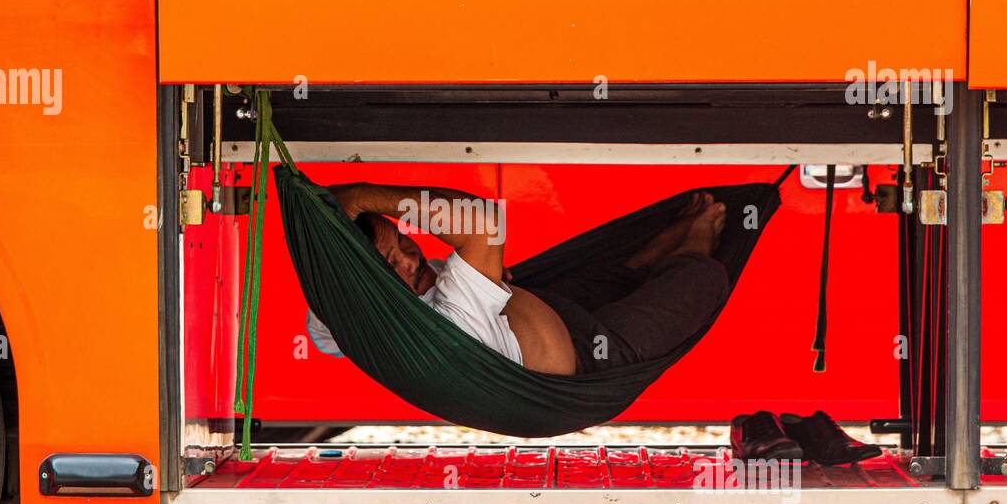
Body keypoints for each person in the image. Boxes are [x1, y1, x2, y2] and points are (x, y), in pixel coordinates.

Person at [306, 182, 730, 376]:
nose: (412, 259)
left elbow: (324, 332)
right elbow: (481, 221)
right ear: (365, 289)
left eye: (402, 240)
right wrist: (360, 195)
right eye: (391, 263)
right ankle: (695, 238)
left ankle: (664, 245)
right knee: (700, 282)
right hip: (595, 362)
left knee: (605, 275)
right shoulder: (439, 324)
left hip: (553, 308)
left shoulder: (352, 320)